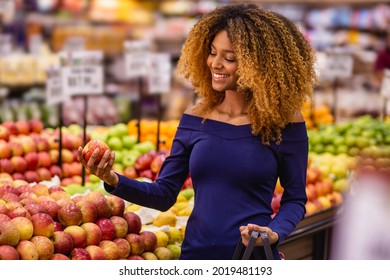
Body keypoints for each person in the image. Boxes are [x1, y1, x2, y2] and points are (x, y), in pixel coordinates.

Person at [77, 3, 317, 260]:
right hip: (194, 257)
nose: (216, 63)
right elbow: (164, 194)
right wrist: (113, 180)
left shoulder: (283, 123)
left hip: (250, 257)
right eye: (212, 53)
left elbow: (294, 200)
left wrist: (274, 232)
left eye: (230, 58)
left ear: (259, 65)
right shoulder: (196, 118)